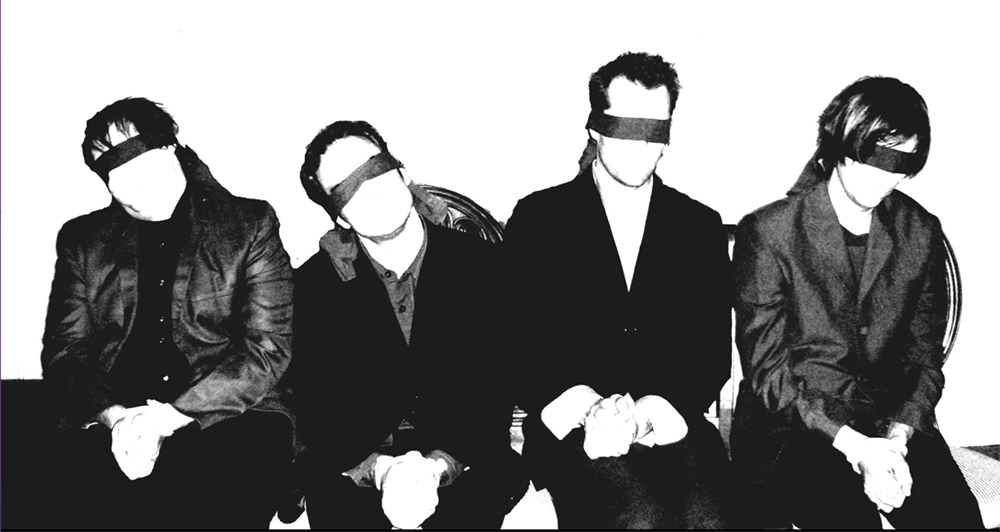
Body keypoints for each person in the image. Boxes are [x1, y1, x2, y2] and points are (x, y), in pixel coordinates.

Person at [730, 76, 984, 529]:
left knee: (956, 518)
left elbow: (924, 358)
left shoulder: (920, 231)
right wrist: (856, 447)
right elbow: (769, 375)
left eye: (901, 163)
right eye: (873, 156)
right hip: (794, 428)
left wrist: (897, 439)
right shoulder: (769, 233)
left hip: (890, 421)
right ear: (841, 144)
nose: (885, 177)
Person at [40, 97, 295, 528]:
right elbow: (66, 352)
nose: (130, 180)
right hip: (117, 415)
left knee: (215, 494)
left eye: (138, 158)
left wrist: (170, 417)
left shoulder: (248, 224)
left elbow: (267, 349)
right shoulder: (83, 240)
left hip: (229, 414)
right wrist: (116, 418)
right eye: (113, 170)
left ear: (170, 148)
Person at [504, 52, 734, 529]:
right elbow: (521, 346)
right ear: (595, 128)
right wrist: (592, 411)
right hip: (572, 431)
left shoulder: (699, 226)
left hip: (670, 425)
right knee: (638, 519)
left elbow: (709, 355)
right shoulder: (538, 219)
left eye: (655, 130)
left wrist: (643, 418)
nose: (640, 145)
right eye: (625, 127)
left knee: (708, 521)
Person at [293, 120, 528, 529]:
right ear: (340, 218)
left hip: (466, 461)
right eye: (347, 188)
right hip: (356, 470)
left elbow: (496, 389)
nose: (370, 190)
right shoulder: (312, 287)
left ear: (402, 172)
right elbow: (317, 408)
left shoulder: (486, 267)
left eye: (374, 169)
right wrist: (380, 470)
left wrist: (438, 467)